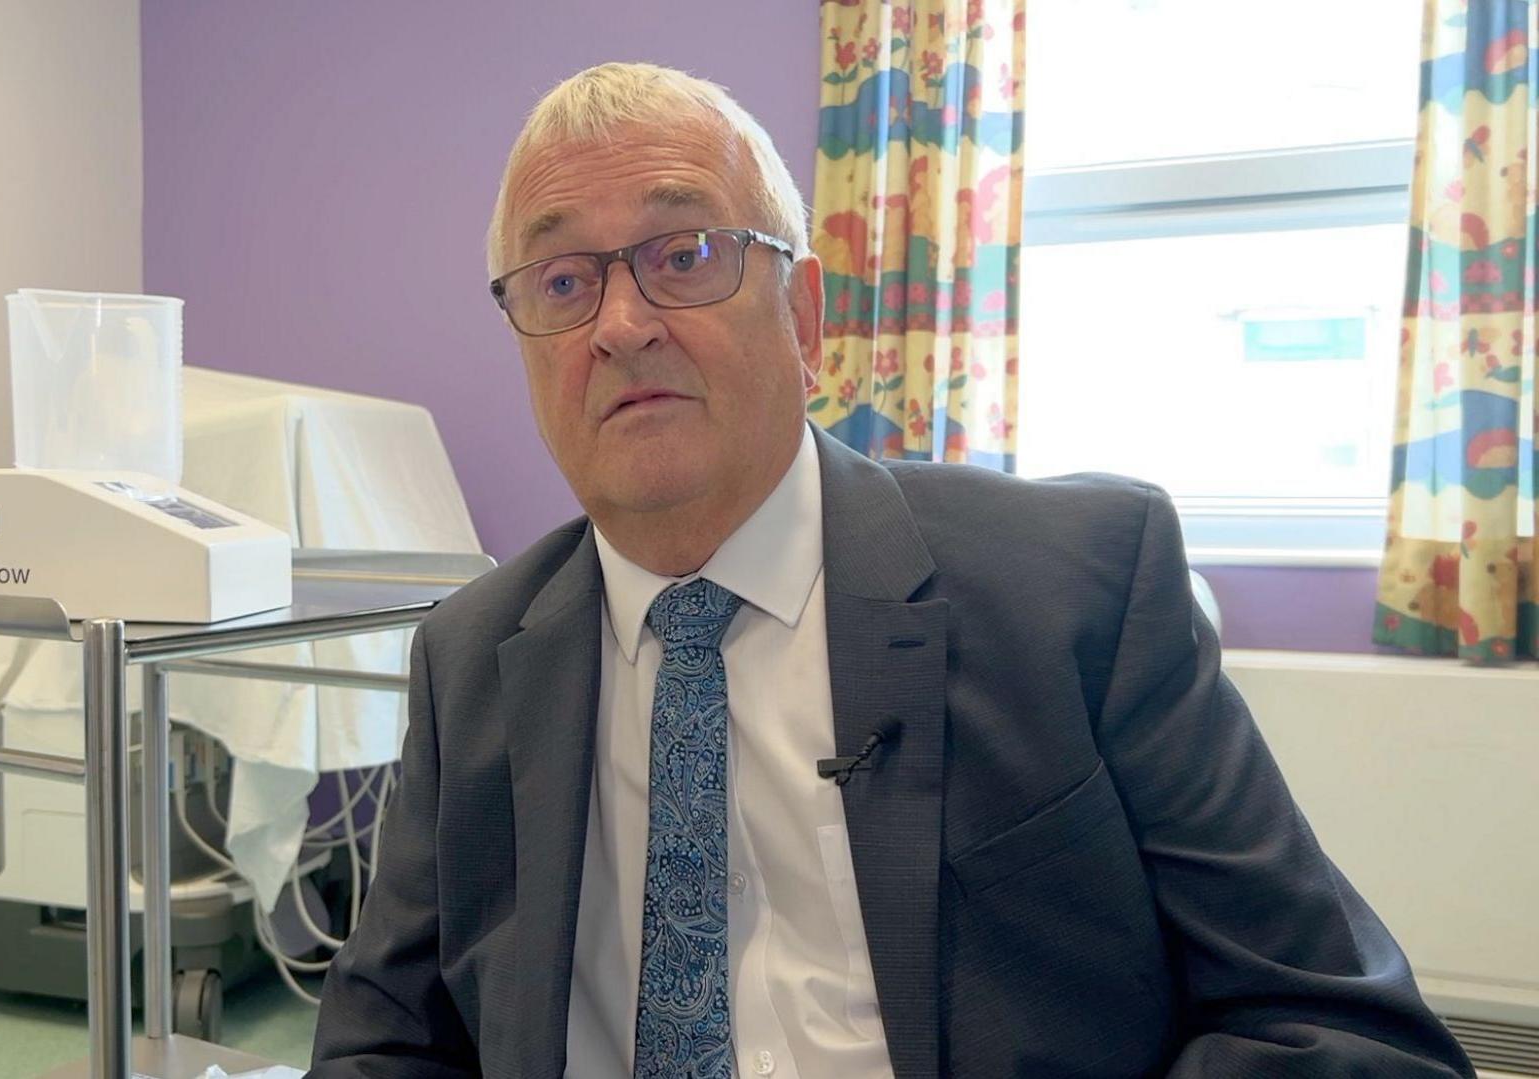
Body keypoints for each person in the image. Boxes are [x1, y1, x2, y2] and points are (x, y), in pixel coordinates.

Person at [309, 63, 1472, 1078]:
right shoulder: (471, 657)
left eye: (685, 253)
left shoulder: (1077, 588)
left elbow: (1339, 1029)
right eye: (562, 282)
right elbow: (386, 1044)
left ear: (805, 317)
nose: (620, 322)